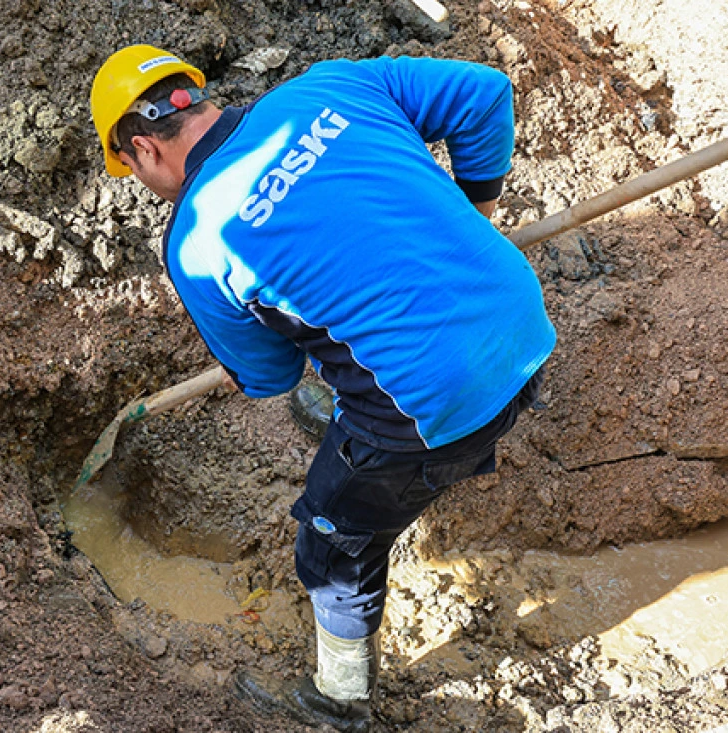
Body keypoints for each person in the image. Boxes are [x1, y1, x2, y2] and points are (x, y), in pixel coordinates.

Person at [89, 45, 555, 729]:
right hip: (522, 327)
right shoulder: (335, 84)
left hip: (434, 405)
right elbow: (485, 94)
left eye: (131, 170)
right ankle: (369, 410)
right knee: (347, 371)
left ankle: (338, 698)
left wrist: (248, 344)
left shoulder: (197, 241)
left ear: (141, 150)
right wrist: (476, 212)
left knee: (331, 545)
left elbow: (270, 375)